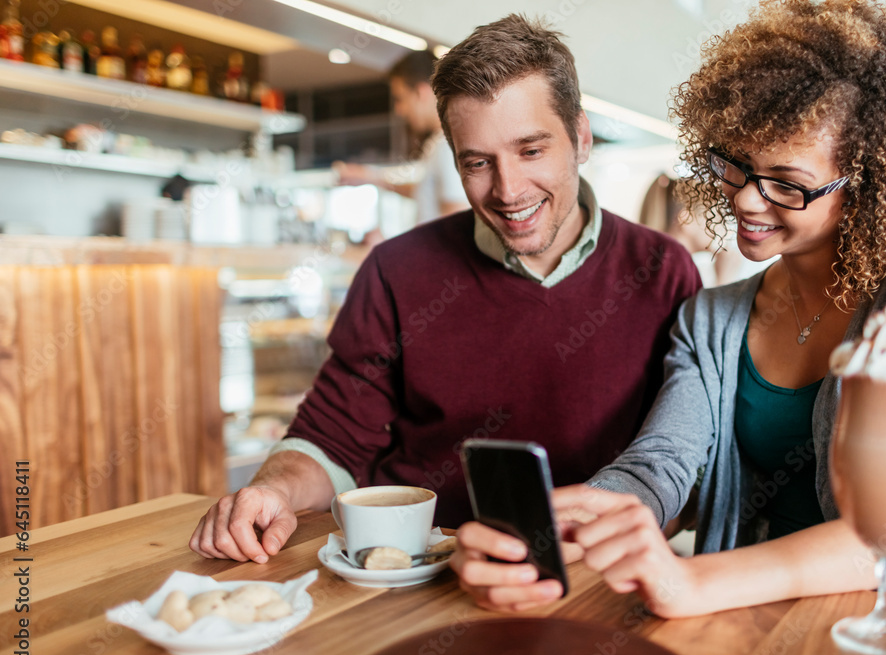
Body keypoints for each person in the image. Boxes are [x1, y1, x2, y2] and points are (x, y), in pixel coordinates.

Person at [453, 0, 886, 615]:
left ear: (868, 184)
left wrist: (695, 583)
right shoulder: (711, 319)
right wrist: (564, 523)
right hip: (753, 629)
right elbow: (660, 464)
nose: (746, 198)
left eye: (786, 183)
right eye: (736, 166)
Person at [189, 15, 701, 564]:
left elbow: (679, 465)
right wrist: (273, 490)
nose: (508, 191)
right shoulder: (396, 270)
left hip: (596, 574)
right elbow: (333, 433)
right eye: (478, 163)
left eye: (531, 151)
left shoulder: (662, 270)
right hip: (422, 575)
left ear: (579, 136)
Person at [333, 50, 468, 237]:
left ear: (421, 92)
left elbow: (458, 225)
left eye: (400, 99)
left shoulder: (447, 144)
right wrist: (371, 177)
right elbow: (425, 193)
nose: (399, 110)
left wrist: (395, 254)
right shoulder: (439, 142)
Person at [638, 172, 746, 287]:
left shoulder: (668, 269)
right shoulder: (670, 278)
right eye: (714, 218)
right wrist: (724, 280)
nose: (722, 227)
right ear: (686, 219)